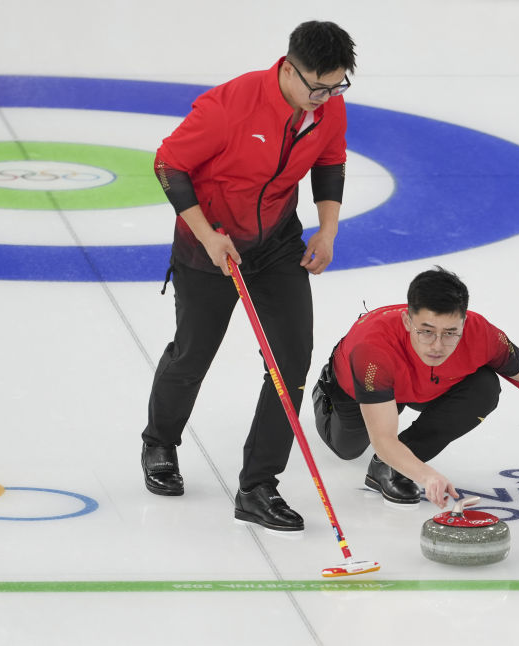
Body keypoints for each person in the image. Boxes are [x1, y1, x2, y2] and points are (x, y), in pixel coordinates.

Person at [139, 21, 356, 533]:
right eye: (317, 87)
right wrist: (207, 236)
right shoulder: (230, 105)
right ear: (289, 68)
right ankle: (160, 441)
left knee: (290, 363)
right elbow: (169, 164)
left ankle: (258, 487)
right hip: (210, 245)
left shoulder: (328, 106)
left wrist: (327, 231)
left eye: (336, 86)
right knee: (193, 354)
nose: (325, 98)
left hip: (276, 243)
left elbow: (330, 162)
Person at [311, 266, 519, 508]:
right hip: (363, 388)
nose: (437, 345)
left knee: (484, 387)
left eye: (450, 332)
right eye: (426, 331)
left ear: (464, 321)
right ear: (408, 321)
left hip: (427, 384)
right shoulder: (373, 351)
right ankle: (324, 394)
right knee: (347, 449)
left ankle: (389, 470)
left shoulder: (482, 334)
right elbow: (383, 439)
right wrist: (428, 476)